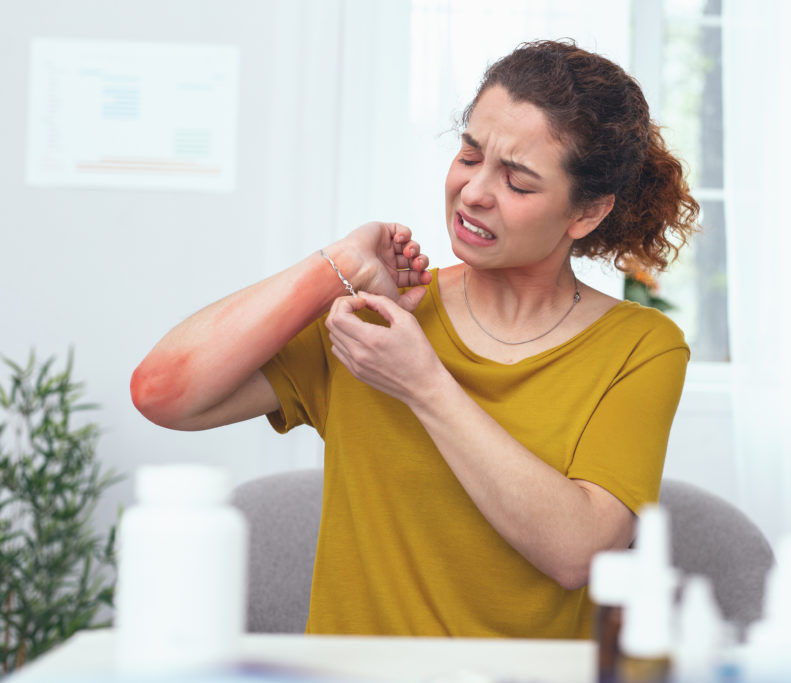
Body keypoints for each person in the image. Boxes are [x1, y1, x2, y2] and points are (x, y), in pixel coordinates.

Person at [131, 39, 700, 639]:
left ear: (585, 214)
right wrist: (335, 265)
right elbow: (163, 392)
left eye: (519, 182)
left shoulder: (640, 347)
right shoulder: (375, 315)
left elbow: (577, 553)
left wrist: (422, 383)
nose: (474, 191)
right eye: (469, 154)